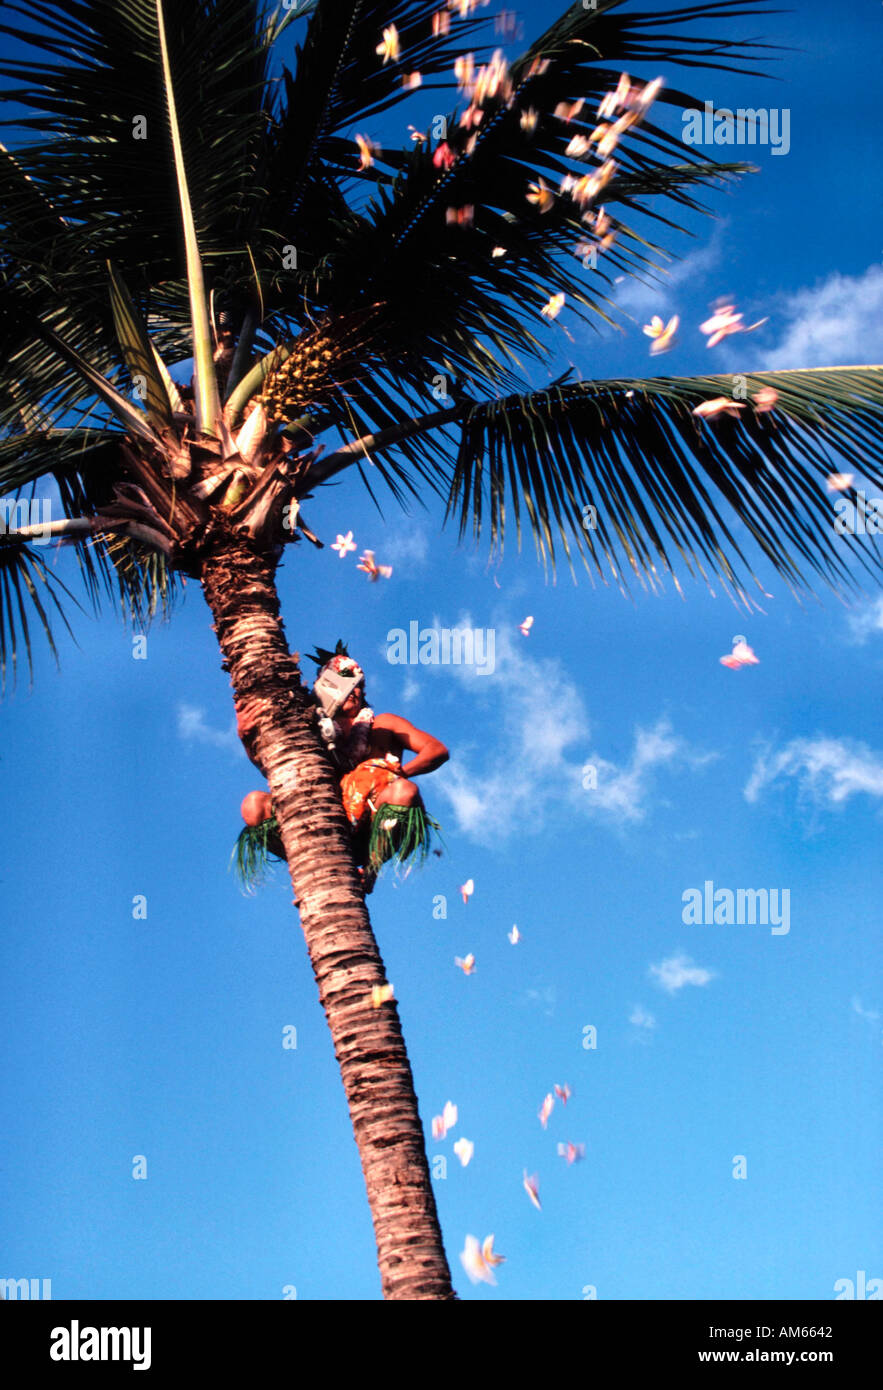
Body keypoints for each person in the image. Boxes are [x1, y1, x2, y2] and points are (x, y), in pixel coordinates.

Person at [233, 649, 449, 892]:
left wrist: (399, 773)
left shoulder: (384, 724)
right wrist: (245, 736)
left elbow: (436, 750)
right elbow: (274, 770)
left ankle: (369, 870)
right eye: (345, 682)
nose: (355, 690)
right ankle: (303, 863)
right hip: (322, 825)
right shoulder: (307, 731)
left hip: (374, 828)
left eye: (359, 685)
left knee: (404, 791)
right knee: (253, 805)